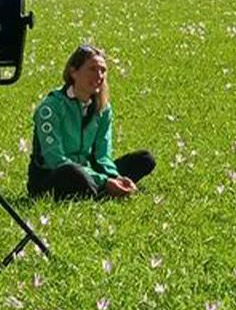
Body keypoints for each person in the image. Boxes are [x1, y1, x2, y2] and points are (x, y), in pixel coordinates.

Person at [27, 44, 155, 199]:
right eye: (92, 69)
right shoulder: (51, 108)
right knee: (72, 173)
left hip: (87, 170)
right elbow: (54, 159)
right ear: (73, 72)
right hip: (54, 174)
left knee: (145, 159)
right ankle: (101, 191)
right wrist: (103, 181)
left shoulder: (103, 109)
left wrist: (114, 177)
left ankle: (104, 189)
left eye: (103, 71)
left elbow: (102, 155)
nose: (99, 76)